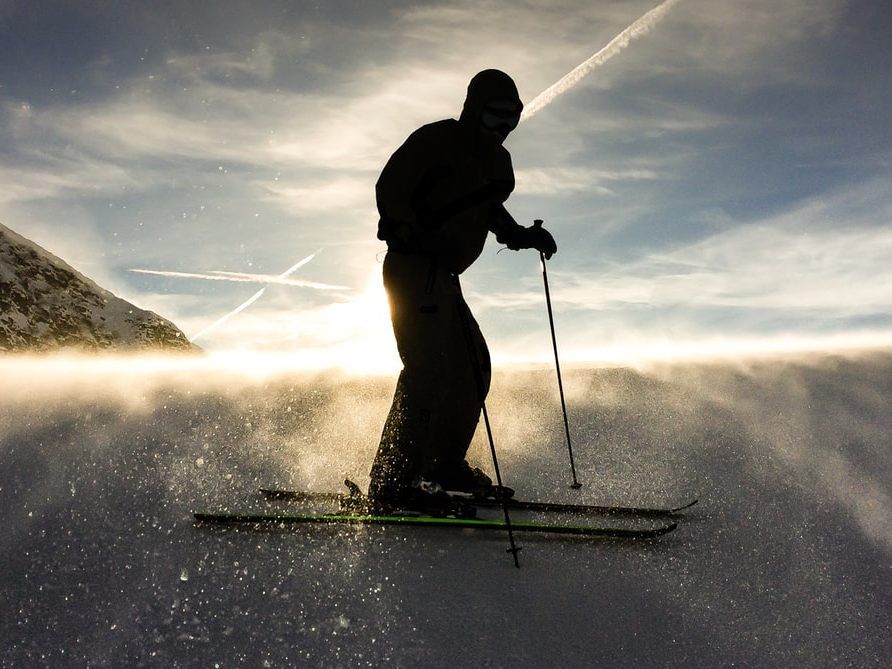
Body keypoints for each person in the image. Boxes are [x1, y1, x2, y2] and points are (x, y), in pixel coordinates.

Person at [368, 69, 557, 509]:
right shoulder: (436, 141)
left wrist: (524, 235)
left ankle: (440, 465)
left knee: (473, 366)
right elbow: (390, 188)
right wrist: (406, 229)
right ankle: (393, 481)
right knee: (428, 370)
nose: (501, 129)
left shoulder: (497, 163)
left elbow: (490, 210)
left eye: (510, 121)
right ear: (473, 109)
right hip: (415, 268)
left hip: (445, 278)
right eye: (493, 118)